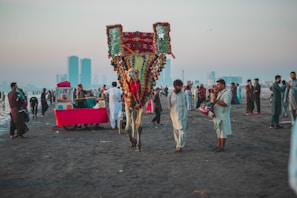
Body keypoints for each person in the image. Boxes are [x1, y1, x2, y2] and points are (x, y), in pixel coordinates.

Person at [168, 79, 188, 153]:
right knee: (176, 130)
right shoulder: (170, 94)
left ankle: (180, 146)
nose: (181, 88)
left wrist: (185, 113)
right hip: (174, 115)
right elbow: (169, 105)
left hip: (183, 114)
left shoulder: (183, 94)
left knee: (182, 130)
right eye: (180, 86)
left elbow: (185, 104)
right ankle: (177, 144)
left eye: (181, 86)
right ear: (175, 86)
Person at [212, 79, 232, 152]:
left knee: (223, 132)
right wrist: (215, 93)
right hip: (218, 115)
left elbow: (226, 104)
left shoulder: (227, 93)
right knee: (218, 131)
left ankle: (222, 147)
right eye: (217, 85)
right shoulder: (219, 93)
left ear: (223, 85)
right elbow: (214, 101)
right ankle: (219, 145)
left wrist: (217, 101)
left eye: (219, 85)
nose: (217, 86)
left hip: (223, 115)